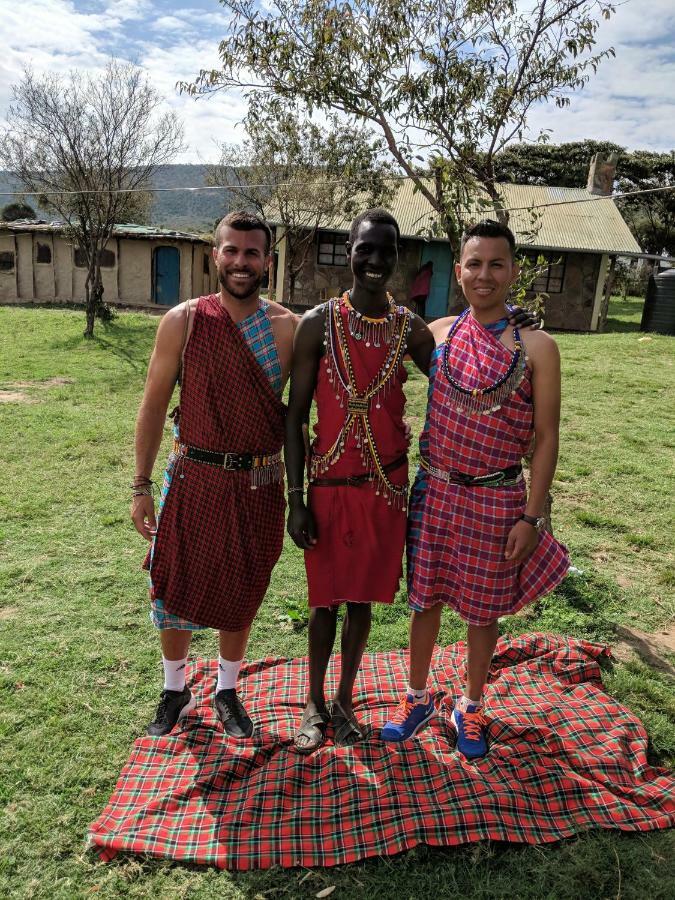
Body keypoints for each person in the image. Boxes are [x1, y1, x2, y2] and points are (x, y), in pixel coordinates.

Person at [285, 211, 537, 753]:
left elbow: (460, 375)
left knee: (361, 603)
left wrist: (511, 324)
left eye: (386, 252)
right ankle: (312, 703)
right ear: (349, 251)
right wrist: (294, 500)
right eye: (364, 250)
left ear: (397, 258)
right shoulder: (317, 324)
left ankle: (346, 702)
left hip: (385, 490)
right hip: (327, 484)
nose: (375, 262)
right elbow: (294, 416)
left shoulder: (409, 330)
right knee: (322, 600)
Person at [381, 220, 569, 759]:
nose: (484, 275)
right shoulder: (435, 333)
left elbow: (548, 436)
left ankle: (472, 703)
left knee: (483, 610)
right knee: (425, 600)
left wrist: (532, 517)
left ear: (514, 270)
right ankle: (416, 696)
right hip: (435, 491)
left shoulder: (538, 346)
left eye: (496, 264)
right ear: (458, 270)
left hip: (498, 499)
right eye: (474, 264)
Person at [131, 211, 296, 739]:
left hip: (259, 483)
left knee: (242, 586)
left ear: (267, 261)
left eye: (252, 253)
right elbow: (154, 406)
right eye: (231, 251)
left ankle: (227, 690)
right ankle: (175, 689)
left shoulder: (288, 329)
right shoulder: (184, 321)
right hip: (193, 476)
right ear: (214, 255)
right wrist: (139, 485)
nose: (241, 263)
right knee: (174, 587)